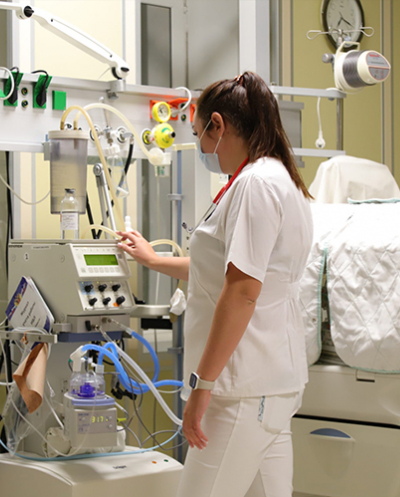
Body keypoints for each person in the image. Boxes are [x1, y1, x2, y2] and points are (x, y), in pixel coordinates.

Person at [117, 71, 314, 497]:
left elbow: (242, 291)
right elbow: (227, 270)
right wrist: (153, 259)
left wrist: (202, 386)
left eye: (198, 135)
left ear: (218, 126)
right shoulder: (279, 178)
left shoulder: (255, 184)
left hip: (240, 387)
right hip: (270, 384)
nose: (202, 148)